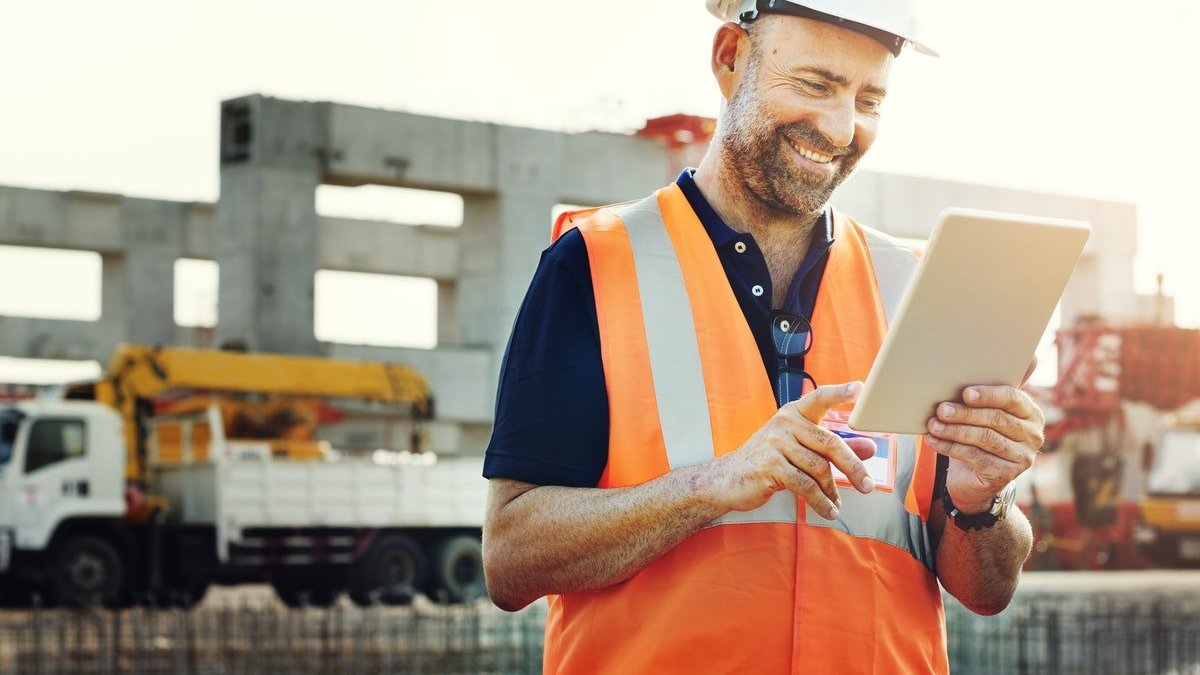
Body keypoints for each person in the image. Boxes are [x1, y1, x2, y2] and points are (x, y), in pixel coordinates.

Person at [481, 1, 1043, 672]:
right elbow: (510, 559)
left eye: (869, 100)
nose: (841, 128)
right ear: (729, 58)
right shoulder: (595, 264)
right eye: (815, 84)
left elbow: (986, 589)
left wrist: (985, 499)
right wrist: (714, 482)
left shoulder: (918, 290)